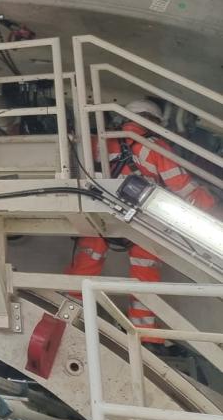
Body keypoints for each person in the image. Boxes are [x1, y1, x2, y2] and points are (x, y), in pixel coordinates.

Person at [66, 99, 217, 338]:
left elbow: (74, 154)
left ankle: (67, 316)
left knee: (86, 264)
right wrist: (210, 203)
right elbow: (181, 185)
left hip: (101, 212)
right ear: (153, 121)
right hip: (142, 220)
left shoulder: (103, 141)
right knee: (144, 277)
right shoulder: (155, 146)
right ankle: (146, 335)